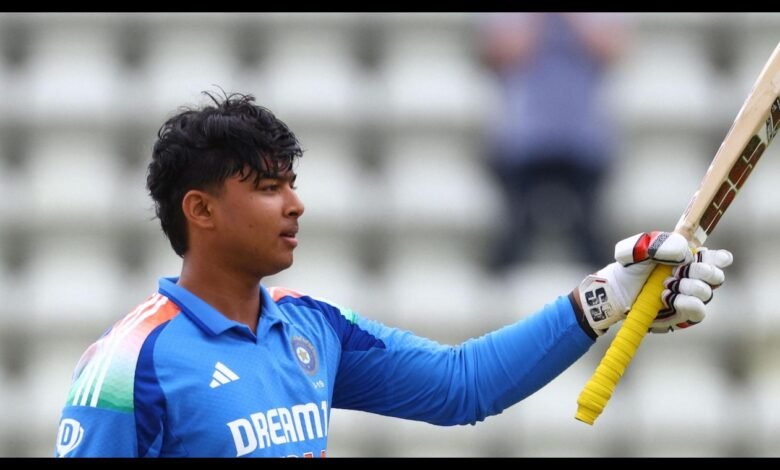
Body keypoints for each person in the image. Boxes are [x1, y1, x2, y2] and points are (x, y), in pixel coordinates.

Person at [54, 91, 733, 458]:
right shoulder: (127, 365)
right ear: (199, 210)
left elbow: (462, 386)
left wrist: (608, 295)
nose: (295, 204)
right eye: (267, 188)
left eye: (291, 184)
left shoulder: (311, 327)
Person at [480, 13, 626, 271]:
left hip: (584, 137)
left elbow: (611, 51)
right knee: (514, 233)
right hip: (524, 138)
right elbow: (502, 53)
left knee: (590, 236)